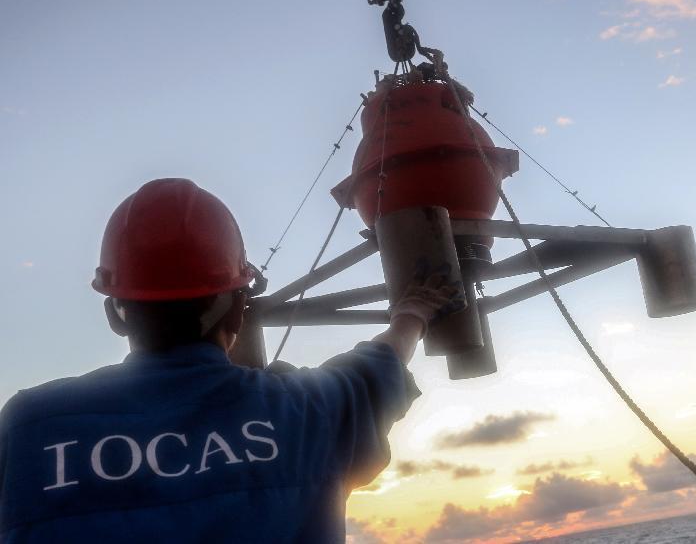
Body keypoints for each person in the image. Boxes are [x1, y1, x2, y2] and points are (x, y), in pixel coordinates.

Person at [0, 178, 463, 542]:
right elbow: (378, 367)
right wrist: (413, 311)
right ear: (240, 308)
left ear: (114, 315)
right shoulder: (305, 409)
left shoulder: (27, 427)